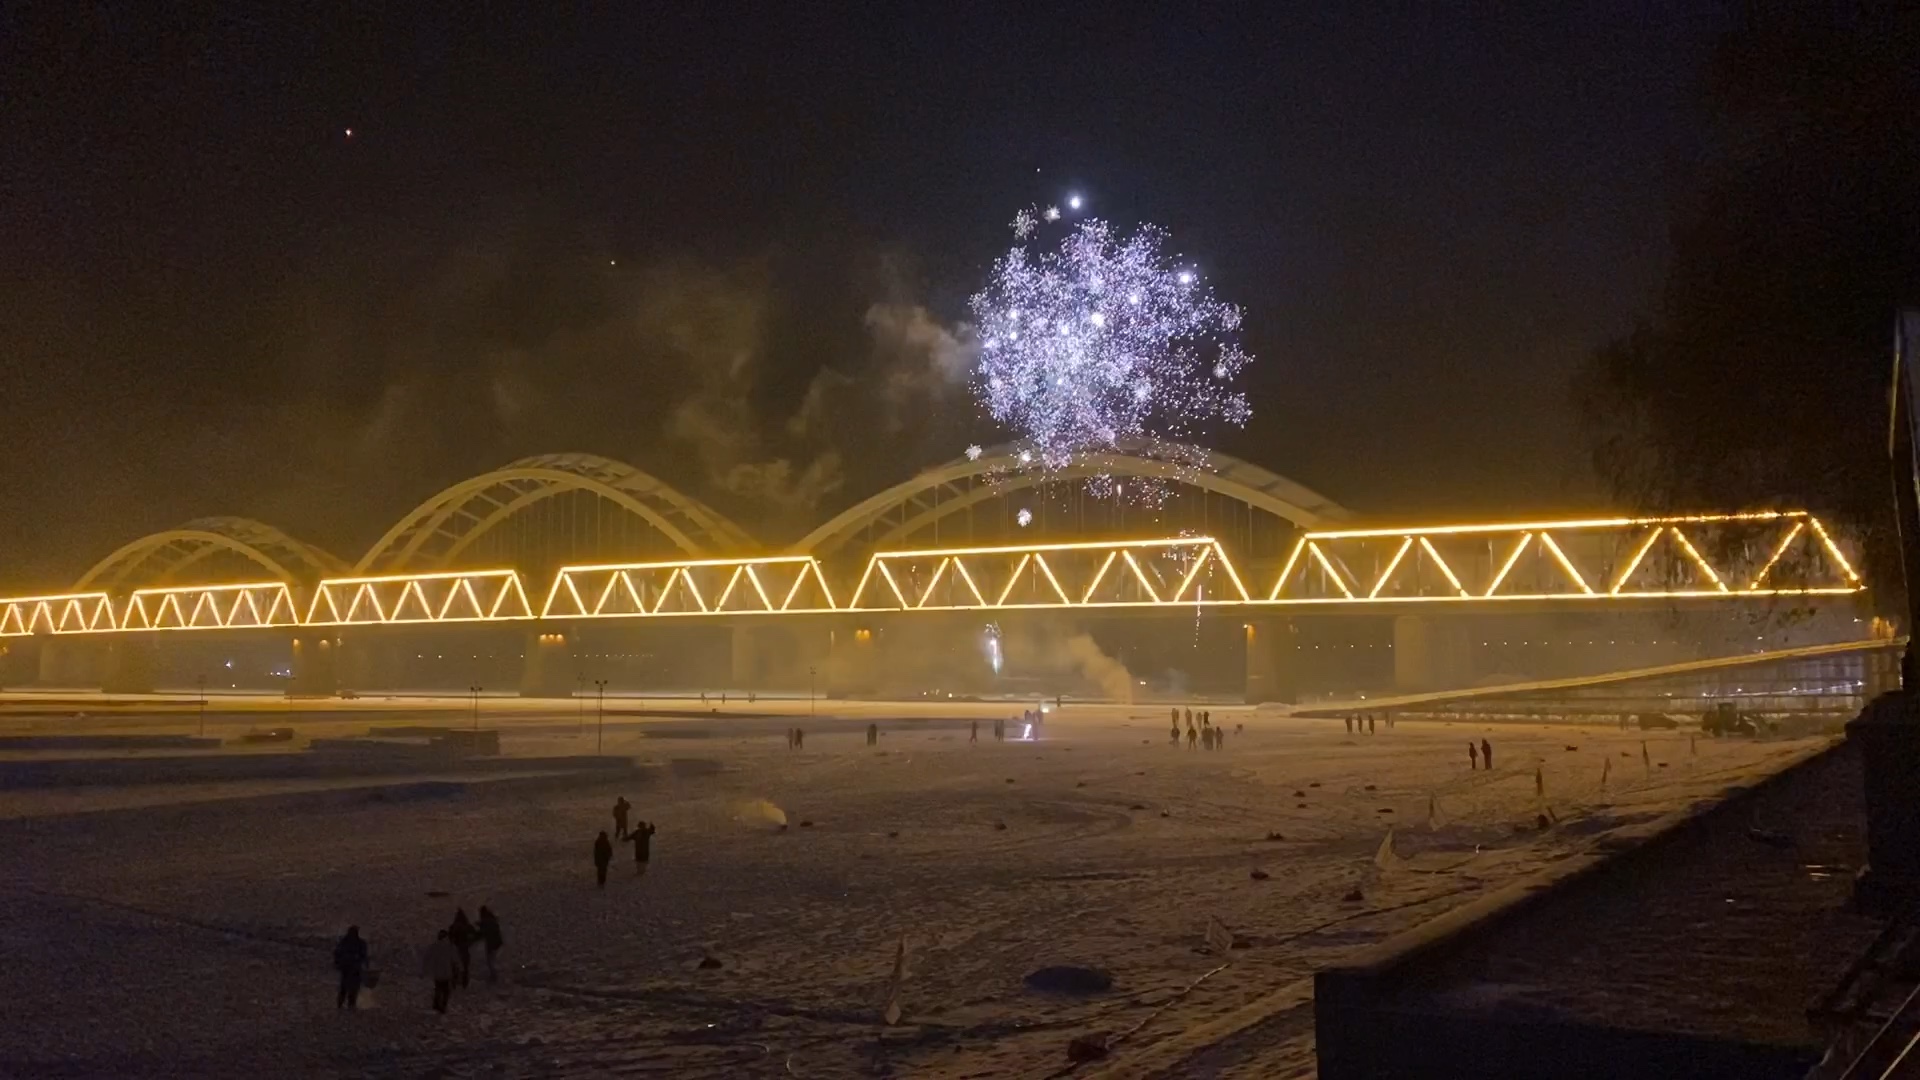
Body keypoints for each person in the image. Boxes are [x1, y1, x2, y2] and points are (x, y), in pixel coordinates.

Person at [333, 925, 368, 1010]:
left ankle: (345, 1005)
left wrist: (337, 963)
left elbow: (337, 953)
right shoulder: (359, 943)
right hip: (351, 968)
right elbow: (364, 957)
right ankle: (347, 1005)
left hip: (351, 968)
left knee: (348, 988)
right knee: (348, 988)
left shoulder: (344, 942)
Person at [424, 930, 458, 1013]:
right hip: (446, 972)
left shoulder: (434, 946)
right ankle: (443, 1005)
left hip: (437, 971)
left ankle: (436, 1003)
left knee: (438, 987)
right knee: (446, 990)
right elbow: (455, 959)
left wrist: (426, 968)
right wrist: (458, 969)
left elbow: (427, 957)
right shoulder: (450, 946)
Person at [448, 908, 476, 988]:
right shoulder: (468, 926)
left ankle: (454, 980)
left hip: (456, 948)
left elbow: (449, 936)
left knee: (454, 965)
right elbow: (473, 935)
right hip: (464, 948)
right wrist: (469, 943)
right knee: (465, 965)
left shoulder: (454, 926)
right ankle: (464, 981)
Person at [477, 905, 504, 982]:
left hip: (491, 943)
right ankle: (494, 974)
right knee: (492, 959)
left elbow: (483, 932)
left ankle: (494, 976)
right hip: (496, 942)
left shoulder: (485, 921)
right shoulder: (491, 918)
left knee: (490, 960)